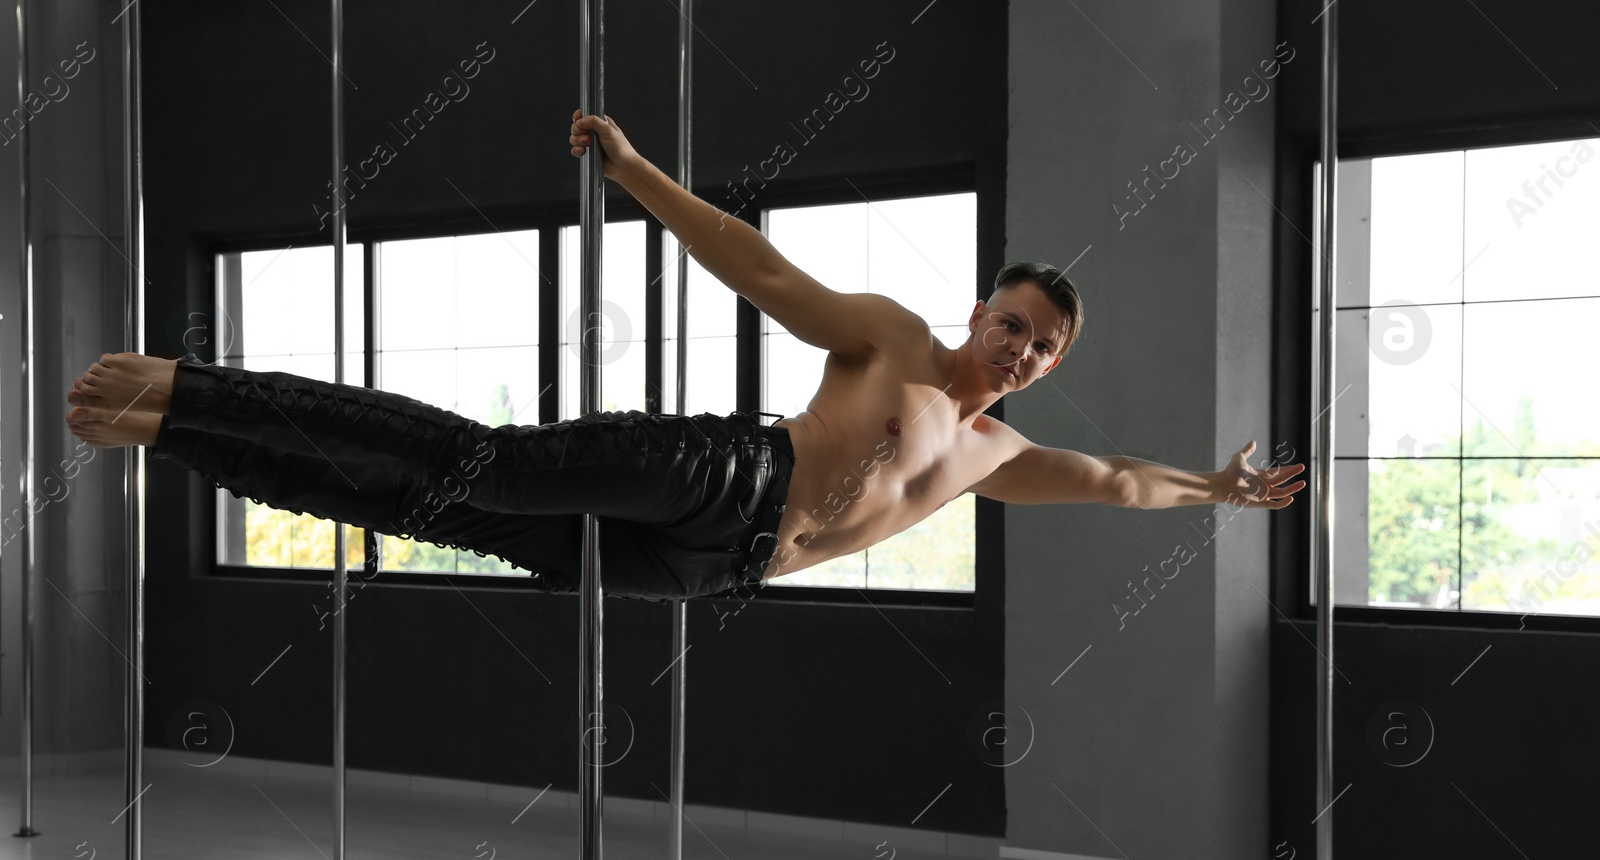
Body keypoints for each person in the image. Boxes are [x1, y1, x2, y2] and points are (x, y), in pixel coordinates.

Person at [63, 110, 1305, 602]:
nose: (1022, 348)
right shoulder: (891, 342)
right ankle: (194, 381)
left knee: (423, 507)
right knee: (480, 461)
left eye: (1042, 344)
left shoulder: (995, 453)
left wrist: (1218, 489)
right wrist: (635, 170)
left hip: (707, 573)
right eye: (1012, 321)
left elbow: (1119, 480)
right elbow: (757, 268)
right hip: (717, 478)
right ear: (978, 311)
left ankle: (179, 433)